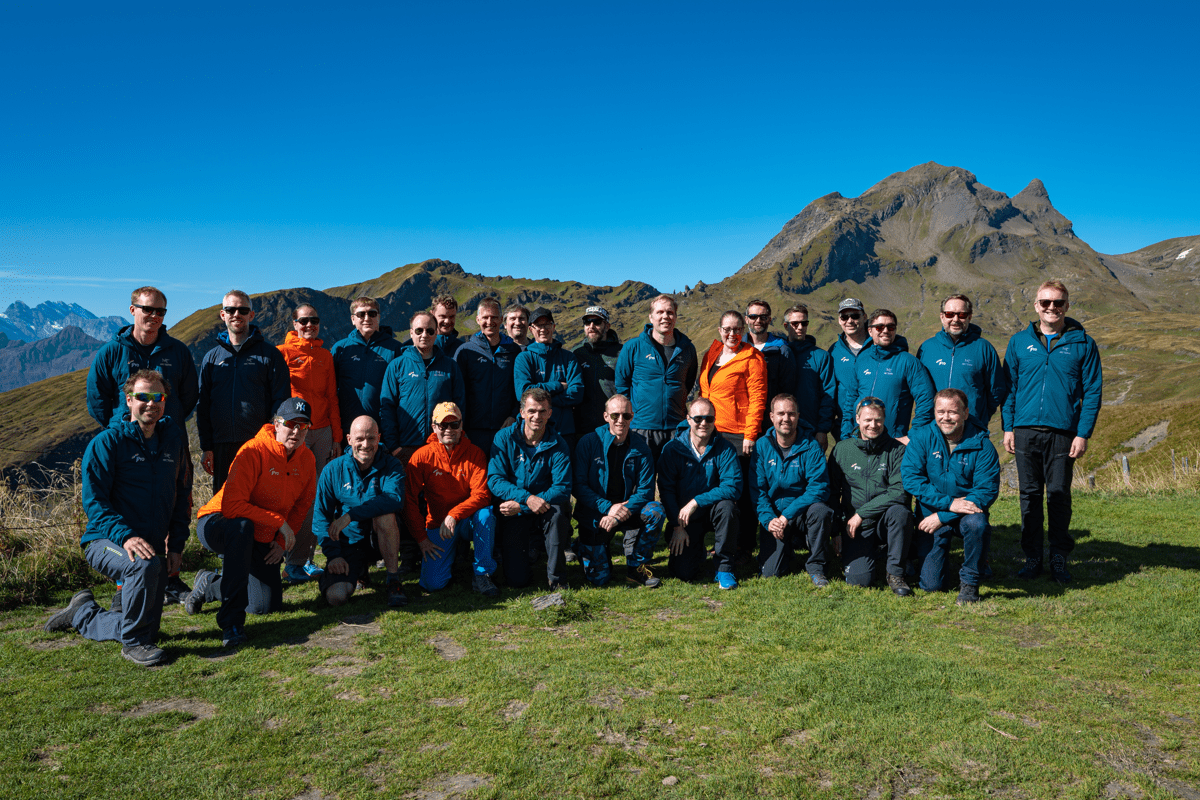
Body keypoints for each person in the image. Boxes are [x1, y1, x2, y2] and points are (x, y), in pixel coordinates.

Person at [44, 370, 191, 667]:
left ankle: (83, 613)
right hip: (105, 540)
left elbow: (181, 494)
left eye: (158, 397)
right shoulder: (107, 443)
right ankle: (134, 645)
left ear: (165, 401)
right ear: (128, 400)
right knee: (143, 566)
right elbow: (94, 503)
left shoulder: (173, 441)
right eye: (143, 397)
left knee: (149, 626)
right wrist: (126, 536)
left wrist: (176, 545)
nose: (151, 403)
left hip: (150, 546)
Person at [85, 285, 198, 605]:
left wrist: (165, 424)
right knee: (128, 503)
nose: (154, 316)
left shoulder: (177, 351)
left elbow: (189, 396)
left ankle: (171, 576)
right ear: (133, 310)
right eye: (148, 309)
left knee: (174, 498)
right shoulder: (111, 352)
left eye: (160, 311)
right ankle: (127, 581)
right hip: (125, 443)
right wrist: (121, 427)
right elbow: (97, 399)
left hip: (169, 440)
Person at [187, 398, 316, 647]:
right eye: (291, 424)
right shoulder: (254, 450)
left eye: (303, 426)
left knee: (264, 606)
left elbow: (302, 506)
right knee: (242, 528)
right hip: (219, 522)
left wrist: (280, 542)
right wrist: (279, 522)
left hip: (262, 533)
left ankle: (209, 584)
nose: (297, 432)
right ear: (276, 424)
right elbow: (232, 506)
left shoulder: (307, 459)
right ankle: (231, 622)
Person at [1002, 280, 1103, 584]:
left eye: (1058, 302)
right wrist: (1008, 427)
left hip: (1063, 433)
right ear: (1036, 306)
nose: (1051, 308)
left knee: (1058, 496)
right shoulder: (1019, 342)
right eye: (1045, 302)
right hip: (1024, 430)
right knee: (1029, 496)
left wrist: (1083, 433)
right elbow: (1010, 388)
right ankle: (1032, 558)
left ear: (1067, 306)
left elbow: (1093, 392)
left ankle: (1059, 558)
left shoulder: (1084, 343)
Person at [903, 389, 1000, 605]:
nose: (946, 417)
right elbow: (912, 479)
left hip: (965, 513)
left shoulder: (982, 445)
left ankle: (970, 582)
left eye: (953, 412)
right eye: (941, 412)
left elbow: (986, 490)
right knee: (931, 586)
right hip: (930, 515)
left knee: (977, 524)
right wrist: (948, 504)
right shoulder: (921, 438)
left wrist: (944, 514)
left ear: (965, 413)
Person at [197, 290, 291, 492]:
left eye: (243, 310)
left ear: (251, 314)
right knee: (223, 503)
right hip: (221, 445)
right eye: (230, 310)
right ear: (223, 315)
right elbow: (203, 404)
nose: (236, 314)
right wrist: (207, 447)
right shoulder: (211, 358)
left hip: (258, 444)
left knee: (258, 499)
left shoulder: (270, 355)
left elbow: (281, 401)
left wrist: (273, 439)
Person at [313, 416, 408, 608]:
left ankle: (393, 579)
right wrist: (333, 555)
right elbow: (321, 518)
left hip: (379, 539)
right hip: (349, 543)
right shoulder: (333, 470)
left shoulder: (392, 465)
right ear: (349, 440)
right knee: (336, 597)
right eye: (359, 439)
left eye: (371, 438)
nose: (365, 445)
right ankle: (359, 571)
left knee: (385, 515)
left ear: (379, 438)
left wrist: (351, 515)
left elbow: (394, 499)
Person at [276, 303, 342, 583]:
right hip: (296, 432)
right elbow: (277, 396)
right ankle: (286, 557)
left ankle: (305, 559)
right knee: (292, 495)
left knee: (316, 497)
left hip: (323, 430)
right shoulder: (283, 353)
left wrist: (337, 436)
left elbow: (332, 397)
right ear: (294, 324)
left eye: (314, 320)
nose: (309, 325)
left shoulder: (325, 355)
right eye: (303, 321)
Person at [404, 403, 498, 597]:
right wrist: (421, 539)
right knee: (432, 584)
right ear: (434, 427)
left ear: (461, 425)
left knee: (486, 515)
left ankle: (483, 574)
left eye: (454, 424)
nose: (449, 430)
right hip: (438, 524)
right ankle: (454, 557)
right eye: (443, 425)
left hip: (467, 520)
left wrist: (454, 515)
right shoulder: (421, 456)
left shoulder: (475, 453)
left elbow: (482, 495)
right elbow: (409, 500)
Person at [573, 395, 665, 588]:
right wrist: (608, 508)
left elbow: (646, 490)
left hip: (626, 511)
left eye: (626, 415)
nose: (620, 420)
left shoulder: (641, 446)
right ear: (606, 416)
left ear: (632, 416)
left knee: (655, 511)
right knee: (599, 580)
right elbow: (578, 486)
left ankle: (637, 567)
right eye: (615, 415)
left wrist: (619, 514)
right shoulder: (588, 443)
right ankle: (582, 545)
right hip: (596, 513)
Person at [698, 310, 767, 563]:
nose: (732, 334)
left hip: (739, 434)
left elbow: (758, 398)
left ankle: (744, 545)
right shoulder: (712, 353)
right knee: (719, 488)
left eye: (737, 329)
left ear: (743, 330)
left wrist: (751, 434)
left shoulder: (752, 357)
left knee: (742, 492)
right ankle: (722, 541)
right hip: (713, 431)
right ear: (719, 330)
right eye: (727, 329)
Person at [488, 388, 573, 590]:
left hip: (544, 507)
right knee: (517, 581)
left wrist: (526, 504)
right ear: (522, 412)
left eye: (542, 411)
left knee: (558, 514)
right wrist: (527, 499)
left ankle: (557, 579)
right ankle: (531, 549)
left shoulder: (558, 443)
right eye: (532, 411)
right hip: (515, 509)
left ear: (550, 413)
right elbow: (495, 480)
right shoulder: (504, 438)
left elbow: (562, 488)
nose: (537, 416)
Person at [826, 397, 913, 596]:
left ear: (884, 420)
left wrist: (862, 514)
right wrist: (836, 531)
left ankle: (896, 573)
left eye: (878, 420)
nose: (873, 425)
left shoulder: (897, 450)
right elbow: (832, 493)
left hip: (883, 521)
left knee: (900, 512)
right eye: (868, 420)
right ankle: (878, 552)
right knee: (859, 580)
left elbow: (899, 492)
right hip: (855, 527)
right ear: (857, 419)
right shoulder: (842, 449)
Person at [658, 397, 742, 588]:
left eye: (709, 418)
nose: (703, 423)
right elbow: (666, 491)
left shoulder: (725, 448)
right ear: (688, 419)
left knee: (728, 507)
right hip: (685, 519)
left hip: (713, 511)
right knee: (683, 573)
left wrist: (696, 501)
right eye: (698, 418)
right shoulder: (672, 450)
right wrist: (676, 526)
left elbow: (733, 487)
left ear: (714, 420)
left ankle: (724, 568)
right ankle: (697, 551)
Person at [754, 394, 835, 586]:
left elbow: (819, 488)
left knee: (821, 510)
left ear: (798, 416)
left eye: (791, 414)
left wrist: (787, 515)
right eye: (781, 414)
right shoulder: (762, 446)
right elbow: (757, 490)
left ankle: (817, 566)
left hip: (802, 514)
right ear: (771, 416)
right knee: (771, 573)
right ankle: (786, 550)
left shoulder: (811, 446)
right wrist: (768, 519)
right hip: (775, 515)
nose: (786, 419)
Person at [615, 294, 698, 464]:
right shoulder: (633, 347)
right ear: (651, 317)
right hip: (641, 428)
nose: (665, 316)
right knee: (642, 477)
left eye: (670, 312)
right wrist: (634, 413)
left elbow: (687, 383)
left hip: (677, 428)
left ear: (675, 317)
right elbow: (622, 384)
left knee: (675, 478)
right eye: (660, 312)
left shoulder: (687, 349)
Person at [379, 310, 467, 459]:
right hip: (405, 448)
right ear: (411, 333)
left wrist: (455, 441)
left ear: (436, 333)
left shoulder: (451, 366)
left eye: (430, 331)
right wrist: (394, 447)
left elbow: (460, 406)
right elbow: (387, 408)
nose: (424, 335)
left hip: (442, 447)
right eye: (419, 330)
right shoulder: (396, 366)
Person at [839, 309, 935, 444]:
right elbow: (851, 399)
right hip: (859, 441)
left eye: (890, 327)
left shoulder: (908, 362)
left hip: (892, 443)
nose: (885, 331)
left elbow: (927, 400)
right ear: (870, 331)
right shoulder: (862, 360)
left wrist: (913, 436)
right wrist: (845, 436)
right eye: (879, 327)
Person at [917, 294, 1007, 426]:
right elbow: (917, 389)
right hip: (933, 427)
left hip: (972, 427)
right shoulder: (927, 348)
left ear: (969, 317)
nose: (955, 319)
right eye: (949, 314)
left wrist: (981, 416)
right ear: (942, 316)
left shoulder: (984, 348)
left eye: (962, 315)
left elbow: (996, 389)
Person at [454, 297, 520, 455]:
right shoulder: (465, 352)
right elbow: (456, 392)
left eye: (494, 317)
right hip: (472, 431)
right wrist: (459, 426)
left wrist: (514, 416)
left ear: (501, 319)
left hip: (506, 429)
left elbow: (519, 389)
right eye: (485, 317)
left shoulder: (514, 351)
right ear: (478, 319)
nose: (490, 322)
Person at [330, 296, 405, 433]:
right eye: (361, 314)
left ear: (379, 317)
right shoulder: (340, 348)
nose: (367, 318)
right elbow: (331, 389)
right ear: (353, 319)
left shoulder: (396, 349)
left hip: (383, 428)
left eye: (372, 313)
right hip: (347, 427)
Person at [513, 307, 584, 451]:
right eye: (538, 325)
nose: (543, 329)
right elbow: (523, 393)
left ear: (553, 327)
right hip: (534, 433)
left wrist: (541, 401)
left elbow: (577, 393)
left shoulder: (568, 357)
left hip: (564, 432)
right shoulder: (524, 358)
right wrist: (558, 386)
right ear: (531, 329)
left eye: (547, 324)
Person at [783, 303, 836, 452]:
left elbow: (828, 394)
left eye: (804, 323)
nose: (800, 327)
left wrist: (822, 430)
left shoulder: (821, 356)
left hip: (811, 430)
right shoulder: (779, 354)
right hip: (781, 429)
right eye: (795, 324)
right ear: (786, 326)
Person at [743, 299, 796, 433]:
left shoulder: (782, 350)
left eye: (763, 317)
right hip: (739, 422)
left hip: (769, 425)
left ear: (769, 320)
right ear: (746, 319)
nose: (758, 321)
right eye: (753, 316)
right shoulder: (736, 348)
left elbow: (788, 391)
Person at [573, 305, 623, 434]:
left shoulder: (622, 353)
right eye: (587, 322)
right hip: (581, 427)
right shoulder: (577, 354)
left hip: (613, 425)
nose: (591, 326)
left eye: (597, 322)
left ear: (607, 326)